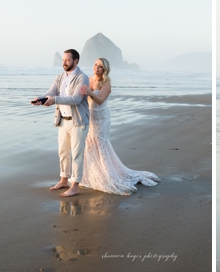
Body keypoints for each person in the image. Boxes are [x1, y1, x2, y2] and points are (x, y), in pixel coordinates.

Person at [78, 57, 160, 194]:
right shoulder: (87, 79)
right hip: (89, 118)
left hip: (102, 118)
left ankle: (107, 174)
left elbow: (100, 100)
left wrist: (89, 92)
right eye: (95, 65)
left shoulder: (106, 83)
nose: (96, 68)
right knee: (90, 143)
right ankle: (91, 173)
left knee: (100, 143)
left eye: (100, 66)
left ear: (104, 69)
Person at [34, 49, 91, 197]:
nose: (64, 63)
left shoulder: (82, 77)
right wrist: (40, 99)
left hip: (78, 122)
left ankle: (75, 186)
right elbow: (51, 92)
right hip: (62, 121)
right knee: (63, 152)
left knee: (77, 154)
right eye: (63, 60)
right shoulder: (60, 77)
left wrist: (54, 100)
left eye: (67, 60)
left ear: (76, 61)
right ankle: (64, 180)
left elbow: (76, 99)